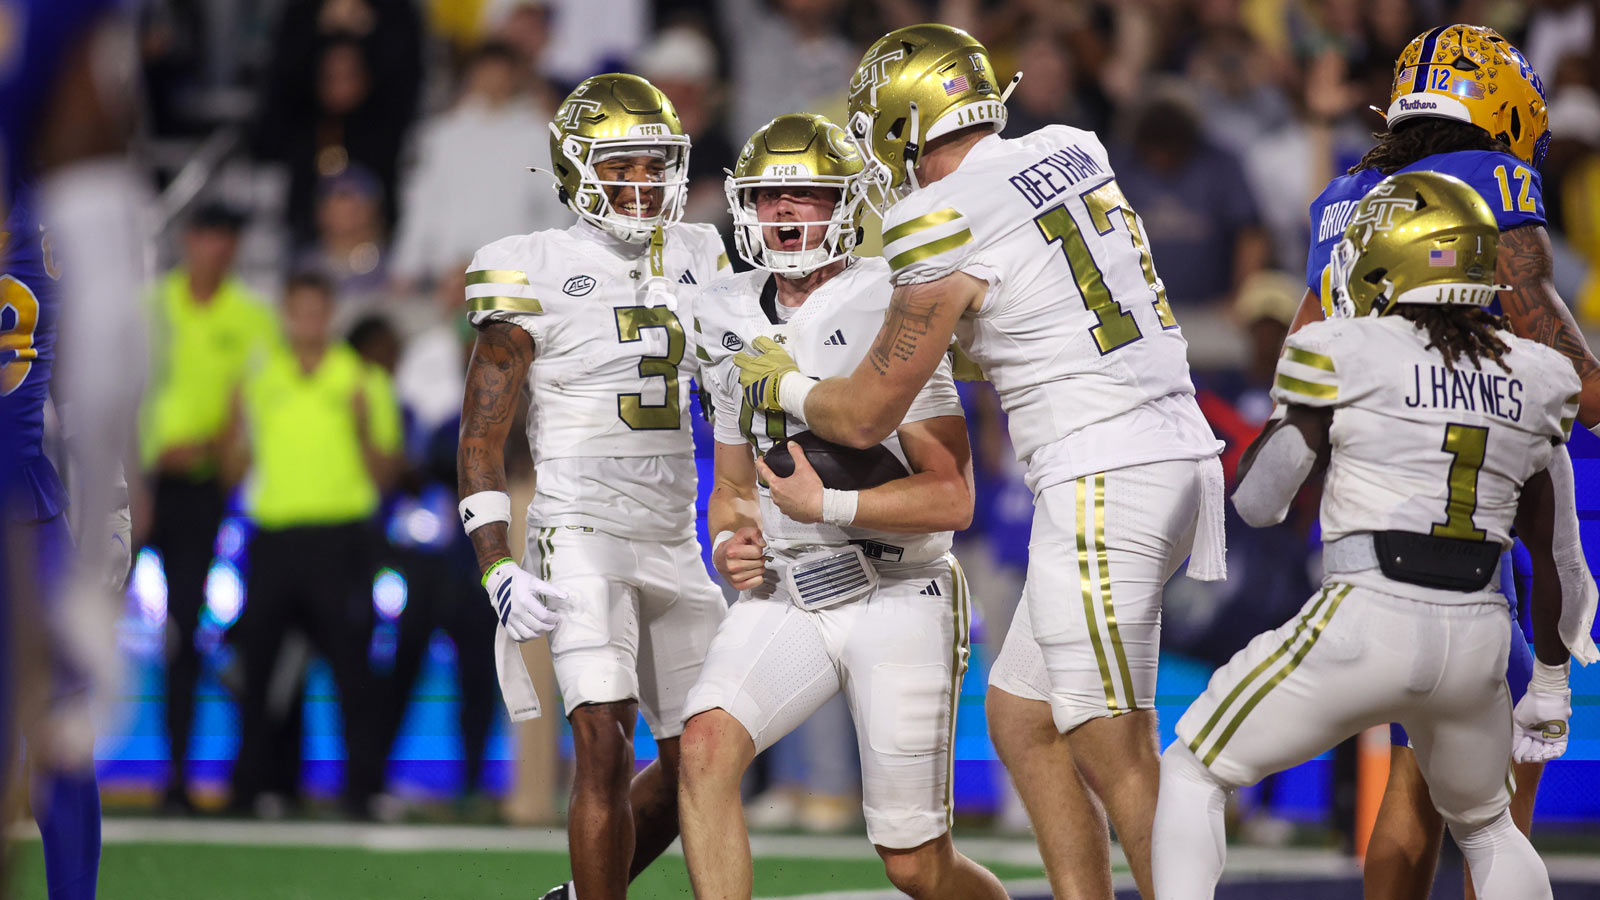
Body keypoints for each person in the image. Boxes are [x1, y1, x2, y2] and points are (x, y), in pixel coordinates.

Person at [733, 24, 1227, 899]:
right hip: (1168, 452)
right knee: (1025, 716)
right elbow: (1039, 299)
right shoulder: (1071, 145)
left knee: (1115, 742)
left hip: (1106, 471)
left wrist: (791, 384)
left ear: (899, 123)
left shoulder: (937, 214)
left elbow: (866, 410)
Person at [1149, 170, 1593, 900]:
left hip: (1367, 615)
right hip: (1481, 633)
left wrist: (1294, 421)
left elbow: (1261, 502)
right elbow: (1559, 559)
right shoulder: (1539, 374)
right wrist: (1548, 682)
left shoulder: (1343, 348)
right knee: (1486, 827)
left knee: (1193, 766)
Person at [1289, 26, 1600, 896]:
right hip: (1469, 492)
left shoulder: (1344, 196)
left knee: (1419, 774)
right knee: (1503, 784)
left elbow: (1303, 355)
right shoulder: (1488, 179)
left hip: (1370, 508)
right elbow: (1565, 365)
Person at [676, 112, 1009, 900]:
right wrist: (730, 541)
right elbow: (730, 490)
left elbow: (951, 495)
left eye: (807, 194)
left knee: (915, 865)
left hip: (900, 589)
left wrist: (826, 502)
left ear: (847, 204)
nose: (786, 212)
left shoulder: (890, 301)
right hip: (787, 589)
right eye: (770, 196)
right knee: (704, 748)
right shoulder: (720, 310)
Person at [454, 73, 729, 900]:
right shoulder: (527, 265)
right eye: (625, 166)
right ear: (578, 169)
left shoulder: (702, 252)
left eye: (656, 165)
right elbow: (480, 437)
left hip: (675, 530)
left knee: (703, 761)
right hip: (579, 528)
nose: (644, 184)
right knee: (604, 743)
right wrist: (497, 563)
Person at [1, 1, 149, 896]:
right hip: (32, 513)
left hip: (30, 512)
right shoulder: (52, 223)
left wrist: (112, 512)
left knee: (63, 736)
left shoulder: (51, 221)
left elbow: (99, 384)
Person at [224, 272, 401, 819]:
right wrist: (234, 429)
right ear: (285, 314)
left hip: (340, 539)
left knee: (352, 670)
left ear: (330, 315)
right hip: (273, 538)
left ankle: (361, 792)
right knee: (260, 672)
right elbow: (233, 469)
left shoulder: (360, 379)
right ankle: (252, 790)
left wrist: (364, 428)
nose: (306, 321)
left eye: (316, 310)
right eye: (297, 310)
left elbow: (387, 471)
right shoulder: (259, 379)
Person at [138, 202, 279, 814]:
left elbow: (260, 405)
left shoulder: (249, 319)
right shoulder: (149, 309)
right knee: (87, 621)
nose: (216, 249)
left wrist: (222, 448)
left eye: (227, 237)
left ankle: (176, 777)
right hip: (132, 481)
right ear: (189, 241)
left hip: (199, 489)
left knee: (185, 632)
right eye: (207, 235)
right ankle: (57, 771)